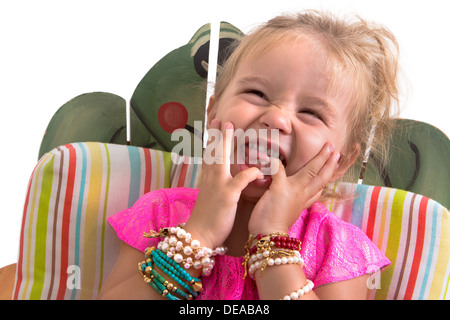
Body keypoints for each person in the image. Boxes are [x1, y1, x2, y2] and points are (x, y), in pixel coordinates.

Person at [98, 10, 399, 300]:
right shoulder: (160, 213)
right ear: (213, 111)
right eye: (257, 94)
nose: (276, 119)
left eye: (311, 112)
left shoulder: (336, 247)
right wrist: (199, 233)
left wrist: (272, 238)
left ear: (341, 162)